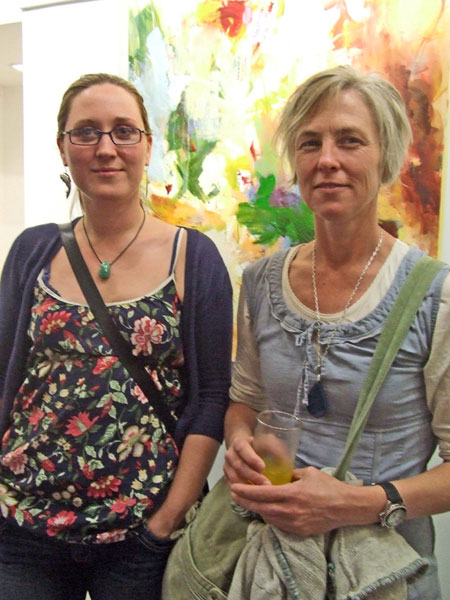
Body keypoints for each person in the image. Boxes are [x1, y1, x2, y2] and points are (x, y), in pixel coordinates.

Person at [0, 73, 232, 600]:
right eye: (86, 132)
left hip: (140, 536)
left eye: (123, 131)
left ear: (147, 146)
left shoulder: (193, 257)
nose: (106, 148)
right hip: (24, 526)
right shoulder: (33, 251)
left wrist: (166, 521)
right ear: (63, 147)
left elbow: (211, 399)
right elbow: (6, 378)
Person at [223, 65, 450, 598]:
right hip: (275, 569)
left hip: (386, 575)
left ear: (385, 156)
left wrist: (354, 503)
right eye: (310, 143)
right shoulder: (260, 283)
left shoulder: (434, 295)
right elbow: (246, 401)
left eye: (350, 141)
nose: (327, 159)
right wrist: (239, 444)